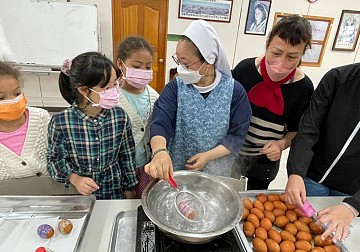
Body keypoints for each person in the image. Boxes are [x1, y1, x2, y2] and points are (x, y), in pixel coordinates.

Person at [145, 20, 252, 180]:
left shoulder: (234, 91)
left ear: (209, 62)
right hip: (179, 170)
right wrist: (160, 151)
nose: (181, 69)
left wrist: (207, 156)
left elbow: (237, 135)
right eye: (178, 61)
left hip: (217, 172)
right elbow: (161, 123)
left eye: (186, 64)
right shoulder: (175, 88)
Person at [232, 15, 314, 190]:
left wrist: (281, 144)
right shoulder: (244, 70)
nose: (281, 63)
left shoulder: (303, 88)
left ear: (302, 54)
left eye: (292, 57)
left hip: (265, 160)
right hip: (233, 152)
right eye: (276, 53)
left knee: (258, 201)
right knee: (228, 193)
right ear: (267, 44)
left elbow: (296, 130)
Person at [285, 63, 360, 243]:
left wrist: (353, 206)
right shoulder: (338, 78)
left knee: (335, 241)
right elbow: (309, 128)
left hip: (352, 191)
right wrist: (296, 172)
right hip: (312, 176)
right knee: (305, 234)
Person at [47, 52, 137, 200]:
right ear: (83, 90)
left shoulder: (120, 117)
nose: (114, 90)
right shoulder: (61, 122)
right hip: (79, 196)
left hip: (113, 191)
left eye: (115, 84)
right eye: (106, 87)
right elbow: (55, 161)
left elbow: (127, 155)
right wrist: (74, 178)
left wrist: (130, 187)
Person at [116, 36, 159, 198]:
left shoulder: (154, 97)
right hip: (119, 167)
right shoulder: (112, 97)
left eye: (148, 67)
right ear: (121, 64)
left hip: (144, 166)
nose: (143, 71)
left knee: (141, 202)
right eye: (136, 66)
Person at [0, 61, 50, 180]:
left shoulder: (41, 118)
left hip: (51, 194)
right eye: (1, 97)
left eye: (17, 93)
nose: (13, 100)